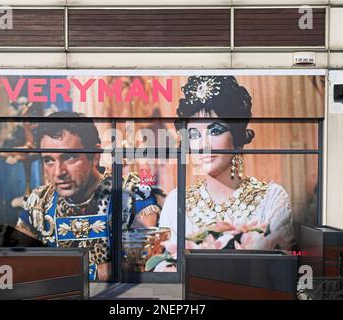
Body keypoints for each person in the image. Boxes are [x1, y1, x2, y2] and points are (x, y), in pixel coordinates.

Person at [156, 76, 294, 271]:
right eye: (194, 135)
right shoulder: (176, 201)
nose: (203, 144)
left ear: (236, 137)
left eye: (215, 131)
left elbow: (282, 272)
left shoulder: (271, 198)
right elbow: (163, 269)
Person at [15, 111, 161, 280]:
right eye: (48, 160)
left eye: (69, 157)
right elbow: (20, 264)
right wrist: (96, 272)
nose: (58, 172)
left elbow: (142, 262)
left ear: (95, 154)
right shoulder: (39, 202)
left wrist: (55, 271)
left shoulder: (133, 194)